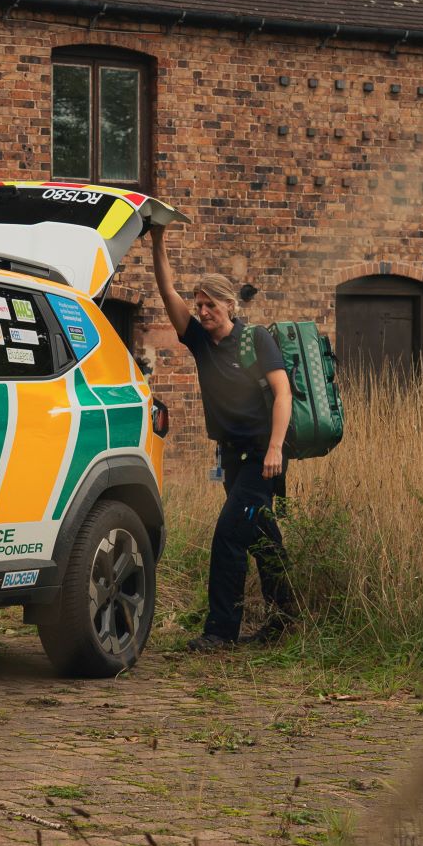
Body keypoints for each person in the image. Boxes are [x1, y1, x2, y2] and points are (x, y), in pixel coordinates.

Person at [148, 224, 298, 650]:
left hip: (262, 457)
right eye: (199, 305)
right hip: (233, 459)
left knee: (229, 535)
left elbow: (283, 394)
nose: (202, 311)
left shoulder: (256, 340)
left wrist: (274, 450)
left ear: (229, 305)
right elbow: (167, 291)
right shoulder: (200, 342)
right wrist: (158, 242)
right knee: (262, 536)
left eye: (210, 304)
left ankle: (220, 633)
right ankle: (286, 619)